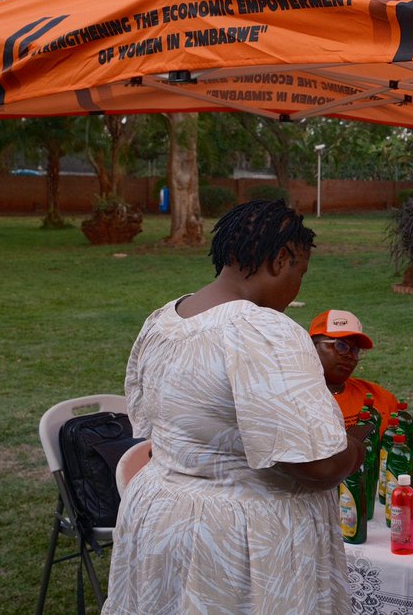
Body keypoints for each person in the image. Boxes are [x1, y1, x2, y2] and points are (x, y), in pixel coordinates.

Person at [105, 200, 364, 615]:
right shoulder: (261, 329)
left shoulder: (164, 319)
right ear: (282, 260)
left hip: (162, 518)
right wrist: (353, 449)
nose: (297, 287)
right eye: (300, 273)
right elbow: (315, 465)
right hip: (236, 541)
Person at [311, 308, 398, 434]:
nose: (350, 355)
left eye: (356, 350)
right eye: (340, 345)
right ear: (312, 346)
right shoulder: (293, 402)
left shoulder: (381, 399)